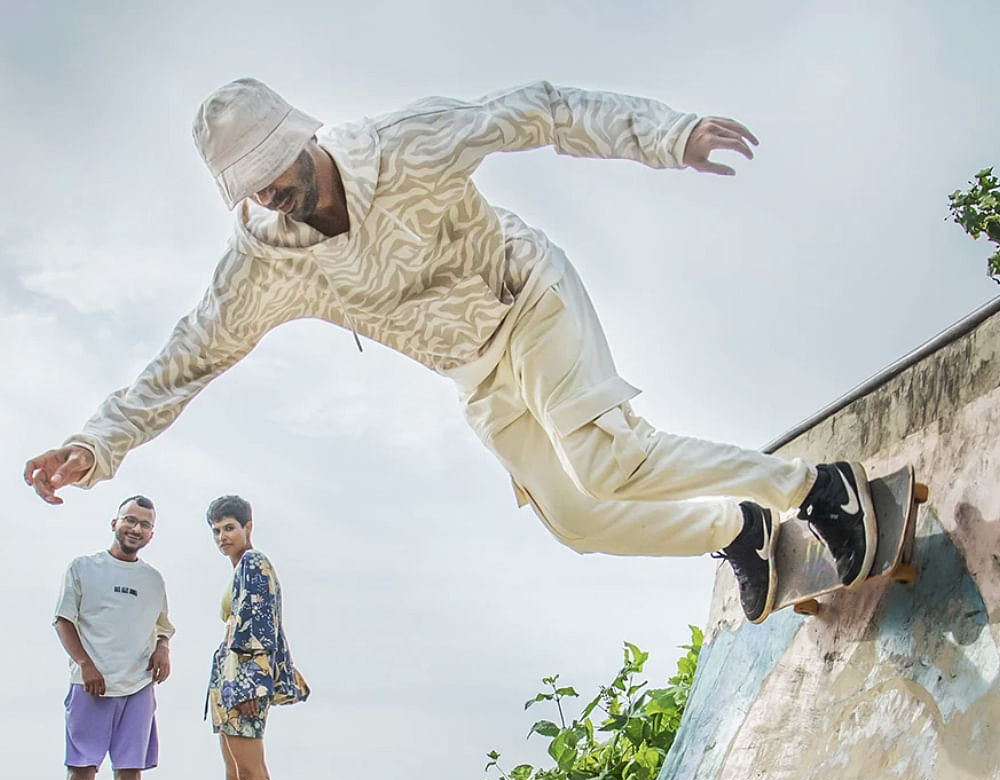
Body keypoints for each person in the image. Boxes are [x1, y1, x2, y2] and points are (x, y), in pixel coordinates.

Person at [23, 79, 877, 624]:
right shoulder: (262, 264)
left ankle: (816, 488)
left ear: (303, 133)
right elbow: (186, 359)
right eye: (256, 189)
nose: (279, 195)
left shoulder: (402, 147)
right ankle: (739, 531)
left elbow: (533, 110)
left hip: (527, 293)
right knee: (577, 521)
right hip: (474, 371)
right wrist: (96, 445)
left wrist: (663, 134)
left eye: (281, 170)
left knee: (608, 465)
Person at [39, 496, 174, 780]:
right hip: (91, 687)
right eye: (130, 521)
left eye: (144, 525)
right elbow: (64, 620)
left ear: (151, 533)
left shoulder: (153, 580)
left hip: (137, 689)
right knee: (80, 775)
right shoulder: (84, 568)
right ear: (114, 522)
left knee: (129, 777)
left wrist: (163, 648)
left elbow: (163, 626)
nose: (136, 529)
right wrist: (85, 664)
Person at [186, 495, 308, 780]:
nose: (223, 536)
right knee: (236, 778)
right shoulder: (238, 570)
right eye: (217, 530)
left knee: (255, 775)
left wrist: (255, 684)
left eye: (229, 528)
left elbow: (263, 625)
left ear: (247, 527)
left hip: (244, 681)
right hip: (228, 680)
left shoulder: (255, 564)